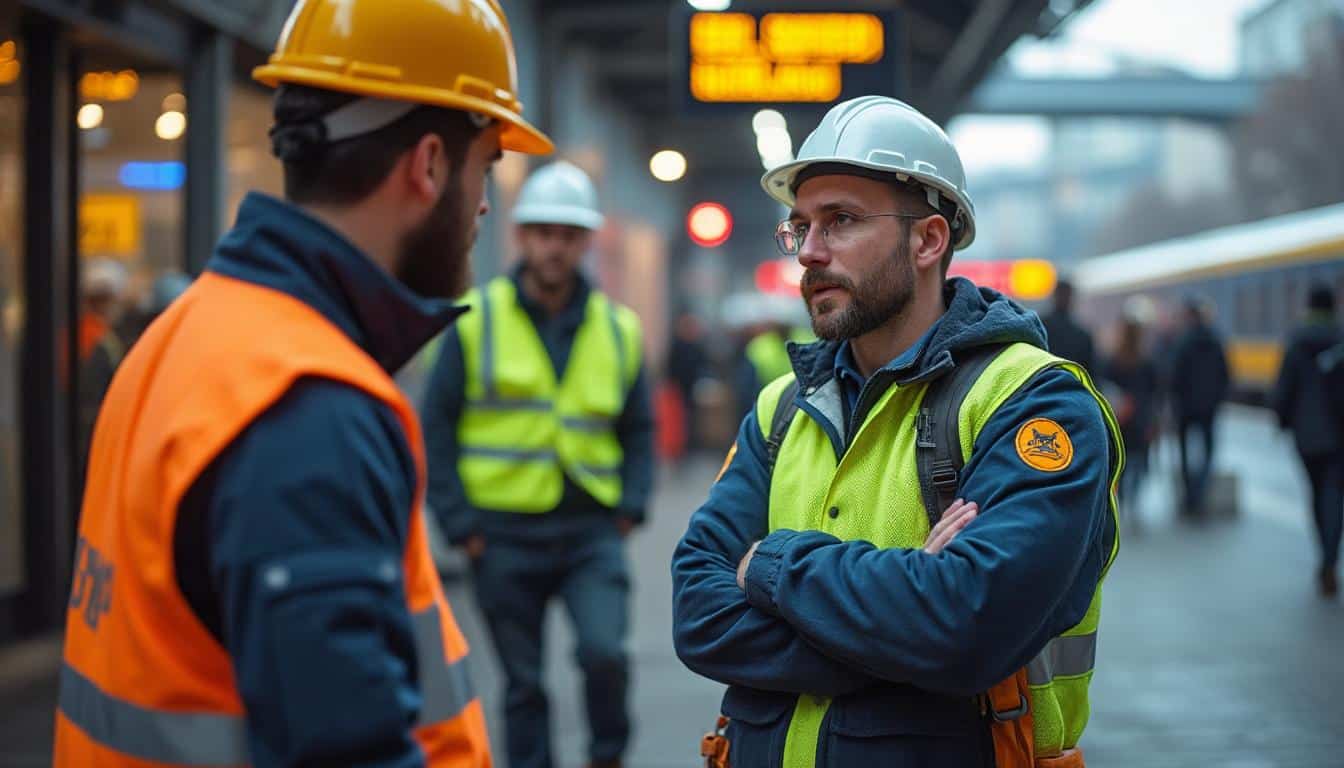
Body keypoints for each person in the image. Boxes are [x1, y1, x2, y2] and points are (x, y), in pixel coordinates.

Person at [54, 1, 554, 766]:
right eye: (485, 166)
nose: (485, 201)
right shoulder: (309, 408)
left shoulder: (180, 336)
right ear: (428, 165)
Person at [672, 96, 1122, 768]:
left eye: (841, 221)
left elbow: (968, 625)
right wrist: (903, 636)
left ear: (928, 240)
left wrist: (767, 564)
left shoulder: (1032, 403)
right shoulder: (780, 408)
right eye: (801, 227)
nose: (809, 252)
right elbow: (696, 613)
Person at [421, 161, 654, 768]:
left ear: (586, 242)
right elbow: (437, 426)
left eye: (568, 235)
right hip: (501, 533)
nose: (555, 246)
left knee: (605, 655)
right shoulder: (475, 318)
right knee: (523, 684)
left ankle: (607, 757)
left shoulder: (619, 329)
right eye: (544, 233)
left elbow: (639, 427)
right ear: (522, 236)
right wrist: (459, 524)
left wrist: (631, 506)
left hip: (590, 528)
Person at [1272, 283, 1342, 597]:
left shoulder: (1297, 340)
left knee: (1317, 492)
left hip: (1307, 433)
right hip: (1340, 433)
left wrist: (1281, 420)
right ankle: (1330, 557)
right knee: (1334, 493)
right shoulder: (1340, 337)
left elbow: (1285, 386)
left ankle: (1325, 554)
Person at [1168, 296, 1230, 514]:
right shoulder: (1215, 340)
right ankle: (1200, 489)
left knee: (1184, 450)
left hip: (1185, 406)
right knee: (1209, 450)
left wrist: (1174, 399)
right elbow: (1225, 374)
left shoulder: (1183, 341)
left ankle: (1189, 494)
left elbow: (1175, 375)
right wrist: (1217, 398)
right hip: (1209, 406)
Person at [1101, 312, 1159, 520]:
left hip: (1120, 420)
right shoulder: (1147, 362)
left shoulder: (1112, 361)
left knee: (1121, 463)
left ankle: (1123, 499)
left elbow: (1104, 388)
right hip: (1141, 421)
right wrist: (1154, 422)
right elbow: (1154, 395)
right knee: (1140, 463)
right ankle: (1133, 500)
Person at [1041, 279, 1096, 374]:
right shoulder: (1082, 334)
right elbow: (1090, 371)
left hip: (1045, 379)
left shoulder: (1041, 327)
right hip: (1072, 380)